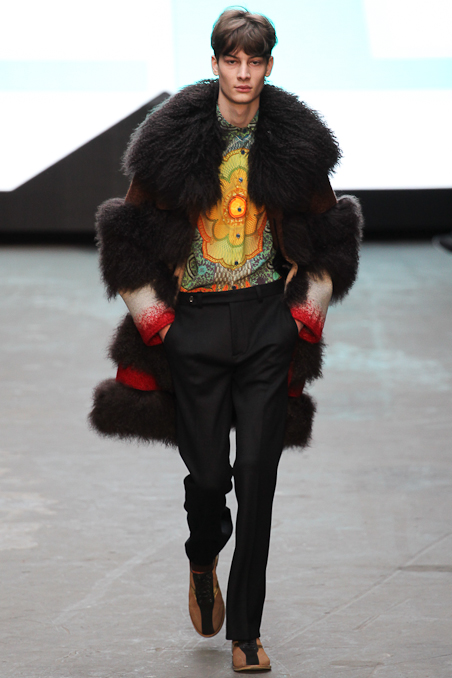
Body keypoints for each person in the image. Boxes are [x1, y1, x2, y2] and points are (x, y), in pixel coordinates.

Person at [90, 8, 363, 672]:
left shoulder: (293, 142)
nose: (243, 73)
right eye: (232, 60)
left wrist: (306, 310)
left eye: (255, 61)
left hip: (267, 322)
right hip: (194, 324)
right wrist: (156, 319)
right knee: (211, 477)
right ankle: (202, 552)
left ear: (269, 66)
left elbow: (335, 232)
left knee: (258, 481)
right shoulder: (172, 141)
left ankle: (246, 633)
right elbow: (125, 235)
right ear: (214, 64)